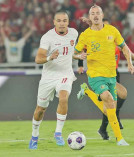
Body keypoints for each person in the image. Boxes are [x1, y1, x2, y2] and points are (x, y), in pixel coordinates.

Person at [74, 5, 134, 146]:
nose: (95, 15)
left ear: (102, 15)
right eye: (92, 13)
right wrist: (79, 56)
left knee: (109, 109)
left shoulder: (112, 31)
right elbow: (74, 53)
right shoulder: (85, 35)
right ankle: (120, 139)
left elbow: (125, 47)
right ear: (90, 17)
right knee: (107, 97)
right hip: (95, 75)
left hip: (111, 76)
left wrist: (130, 63)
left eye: (98, 13)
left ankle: (87, 91)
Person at [29, 10, 79, 149]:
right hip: (49, 76)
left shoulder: (74, 33)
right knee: (40, 109)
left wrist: (77, 56)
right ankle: (34, 135)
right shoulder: (47, 37)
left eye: (64, 21)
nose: (62, 23)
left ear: (68, 22)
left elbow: (69, 52)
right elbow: (38, 59)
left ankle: (58, 133)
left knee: (63, 97)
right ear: (54, 22)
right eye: (59, 21)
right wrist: (50, 57)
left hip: (65, 74)